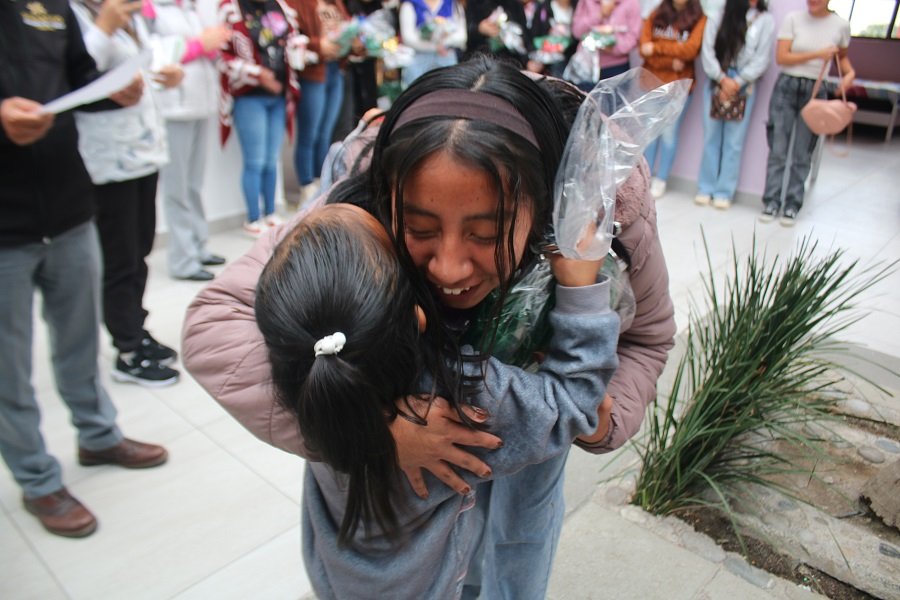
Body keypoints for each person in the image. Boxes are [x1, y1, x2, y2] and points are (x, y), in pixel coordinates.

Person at [183, 56, 675, 598]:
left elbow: (648, 338)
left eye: (487, 232)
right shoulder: (355, 210)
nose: (448, 268)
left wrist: (605, 423)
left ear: (544, 208)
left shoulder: (607, 212)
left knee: (513, 552)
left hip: (394, 553)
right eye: (417, 228)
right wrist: (371, 432)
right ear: (386, 196)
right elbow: (213, 325)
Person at [255, 202, 618, 597]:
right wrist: (581, 291)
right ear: (417, 318)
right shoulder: (461, 399)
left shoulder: (306, 383)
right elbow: (573, 405)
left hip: (337, 580)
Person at [0, 0, 168, 539]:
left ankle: (97, 435)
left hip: (70, 208)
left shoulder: (49, 7)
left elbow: (78, 80)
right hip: (6, 227)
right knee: (9, 367)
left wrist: (111, 91)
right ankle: (36, 477)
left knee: (77, 341)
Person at [71, 0, 184, 387]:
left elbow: (133, 72)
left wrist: (163, 76)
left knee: (139, 251)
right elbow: (78, 72)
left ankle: (136, 326)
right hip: (107, 159)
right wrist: (103, 25)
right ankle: (128, 350)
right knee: (120, 258)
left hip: (142, 153)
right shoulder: (77, 16)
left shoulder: (125, 17)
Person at [148, 0, 232, 281]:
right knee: (177, 188)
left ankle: (198, 246)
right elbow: (153, 55)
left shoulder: (188, 10)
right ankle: (183, 260)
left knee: (193, 184)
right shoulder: (151, 9)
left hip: (200, 105)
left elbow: (201, 51)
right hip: (173, 110)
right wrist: (199, 44)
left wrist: (212, 44)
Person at [759, 0, 854, 226]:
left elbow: (843, 61)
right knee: (778, 150)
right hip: (787, 87)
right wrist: (817, 54)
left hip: (816, 89)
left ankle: (792, 204)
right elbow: (782, 57)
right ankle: (771, 202)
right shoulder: (793, 19)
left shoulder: (840, 25)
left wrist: (849, 76)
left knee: (803, 153)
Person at [219, 0, 302, 237]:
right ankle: (253, 217)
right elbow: (223, 56)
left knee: (270, 160)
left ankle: (270, 213)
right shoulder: (232, 9)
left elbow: (292, 39)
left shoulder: (279, 6)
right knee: (254, 161)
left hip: (277, 95)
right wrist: (256, 74)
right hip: (250, 96)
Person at [695, 0, 774, 210]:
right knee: (711, 137)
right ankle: (705, 188)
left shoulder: (765, 20)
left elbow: (761, 59)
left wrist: (737, 82)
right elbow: (708, 50)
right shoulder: (718, 15)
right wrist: (722, 79)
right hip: (716, 81)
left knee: (734, 142)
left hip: (744, 85)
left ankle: (724, 192)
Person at [289, 0, 356, 205]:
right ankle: (307, 188)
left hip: (336, 69)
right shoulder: (296, 3)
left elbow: (347, 28)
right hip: (313, 72)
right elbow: (289, 37)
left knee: (326, 133)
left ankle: (323, 187)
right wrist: (318, 45)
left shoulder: (335, 2)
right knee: (310, 134)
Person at [639, 0, 706, 199]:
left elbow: (690, 51)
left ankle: (662, 179)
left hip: (679, 86)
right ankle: (645, 177)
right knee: (649, 134)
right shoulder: (656, 13)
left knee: (669, 134)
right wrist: (671, 55)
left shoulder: (699, 19)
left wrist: (656, 49)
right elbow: (643, 48)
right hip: (651, 82)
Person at [398, 0, 467, 89]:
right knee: (418, 93)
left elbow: (462, 36)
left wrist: (444, 41)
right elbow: (408, 38)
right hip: (418, 61)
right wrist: (434, 46)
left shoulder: (452, 3)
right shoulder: (410, 4)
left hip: (446, 59)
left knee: (447, 92)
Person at [571, 0, 642, 83]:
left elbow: (633, 38)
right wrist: (600, 15)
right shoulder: (586, 2)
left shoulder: (631, 3)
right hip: (586, 64)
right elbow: (577, 31)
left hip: (616, 67)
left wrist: (611, 47)